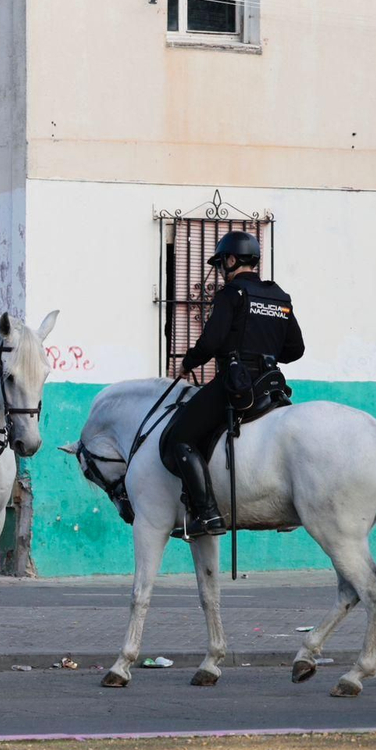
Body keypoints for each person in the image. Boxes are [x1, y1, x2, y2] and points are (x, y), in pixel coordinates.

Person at [159, 230, 303, 538]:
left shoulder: (231, 294)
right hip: (271, 385)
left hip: (236, 383)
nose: (223, 269)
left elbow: (210, 342)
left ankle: (207, 514)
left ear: (232, 259)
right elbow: (296, 350)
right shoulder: (280, 297)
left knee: (180, 436)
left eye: (223, 261)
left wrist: (188, 363)